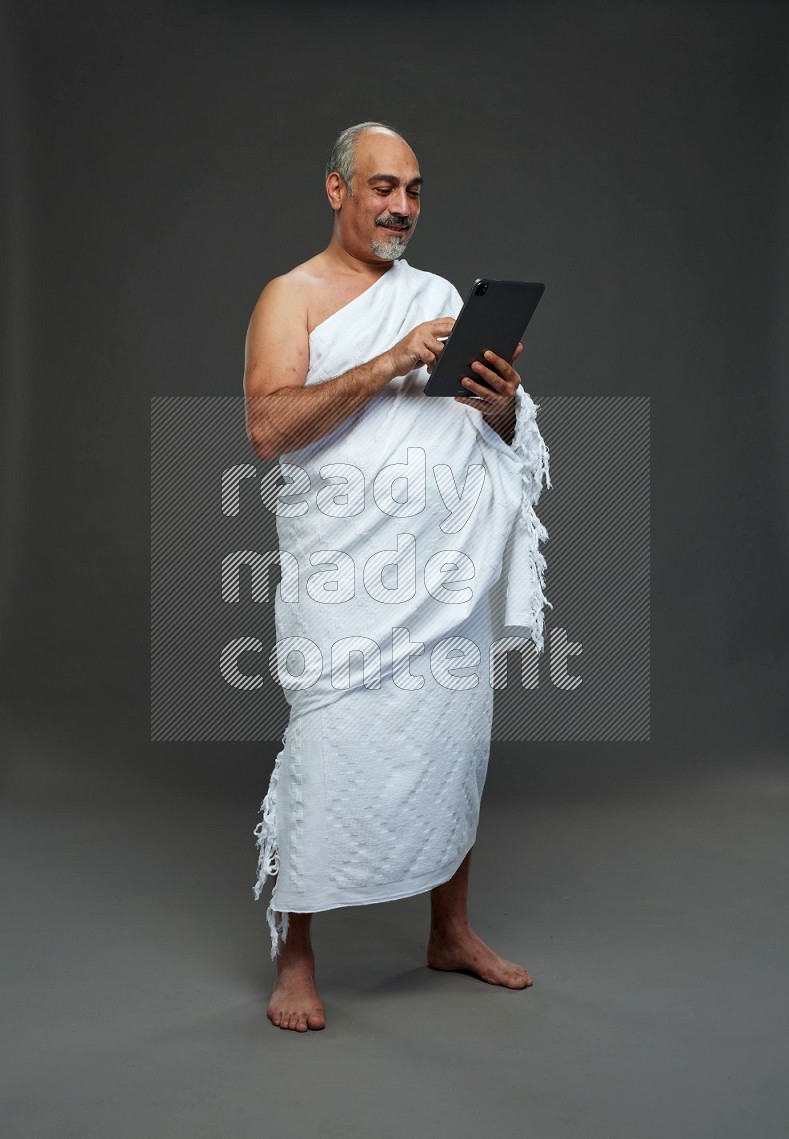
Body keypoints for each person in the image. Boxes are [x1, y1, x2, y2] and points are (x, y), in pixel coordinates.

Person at [243, 121, 551, 1032]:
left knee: (449, 743)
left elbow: (481, 435)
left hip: (439, 579)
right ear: (338, 190)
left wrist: (500, 408)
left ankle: (449, 930)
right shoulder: (289, 297)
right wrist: (388, 362)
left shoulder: (441, 297)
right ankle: (296, 953)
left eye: (414, 190)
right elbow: (267, 430)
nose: (401, 207)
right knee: (326, 751)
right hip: (347, 579)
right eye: (382, 187)